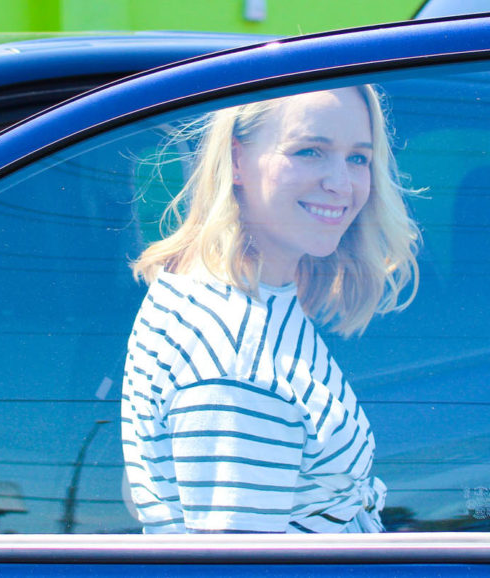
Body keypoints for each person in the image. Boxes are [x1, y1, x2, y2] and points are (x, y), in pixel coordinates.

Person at [122, 85, 420, 534]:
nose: (342, 184)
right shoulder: (238, 364)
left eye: (358, 158)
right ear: (238, 160)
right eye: (309, 151)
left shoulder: (230, 290)